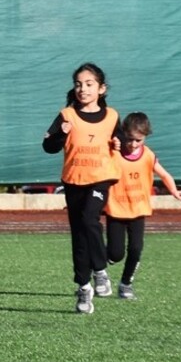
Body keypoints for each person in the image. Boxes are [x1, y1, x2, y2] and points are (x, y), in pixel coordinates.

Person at [42, 63, 120, 314]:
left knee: (89, 220)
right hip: (74, 180)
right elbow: (48, 146)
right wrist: (60, 135)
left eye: (89, 84)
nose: (83, 89)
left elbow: (122, 141)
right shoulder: (67, 115)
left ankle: (100, 270)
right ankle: (84, 287)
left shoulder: (112, 116)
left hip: (100, 178)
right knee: (79, 235)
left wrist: (120, 143)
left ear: (101, 88)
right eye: (78, 84)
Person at [104, 112, 181, 300]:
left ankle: (125, 284)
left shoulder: (148, 155)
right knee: (116, 254)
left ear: (145, 137)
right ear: (123, 133)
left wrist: (174, 191)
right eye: (130, 139)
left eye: (138, 140)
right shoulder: (113, 153)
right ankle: (97, 265)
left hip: (138, 210)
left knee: (135, 249)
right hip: (116, 210)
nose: (133, 144)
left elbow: (164, 175)